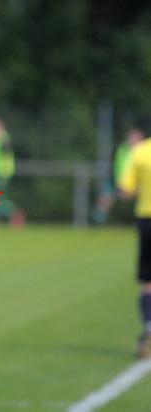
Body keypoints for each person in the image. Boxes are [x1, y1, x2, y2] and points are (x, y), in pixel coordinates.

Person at [118, 130, 151, 359]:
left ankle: (149, 325)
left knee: (148, 282)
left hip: (147, 219)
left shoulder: (139, 151)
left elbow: (126, 190)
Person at [92, 127, 144, 225]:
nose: (133, 141)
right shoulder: (123, 150)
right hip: (120, 181)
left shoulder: (143, 152)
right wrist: (122, 185)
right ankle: (97, 221)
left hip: (137, 183)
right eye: (132, 138)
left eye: (136, 138)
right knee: (105, 198)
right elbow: (121, 168)